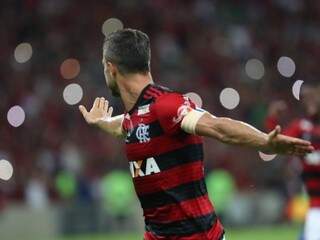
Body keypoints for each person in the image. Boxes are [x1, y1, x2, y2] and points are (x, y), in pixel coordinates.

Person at [79, 29, 314, 240]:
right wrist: (100, 122)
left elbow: (217, 126)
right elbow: (122, 126)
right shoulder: (135, 117)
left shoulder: (166, 106)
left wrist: (264, 141)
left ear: (111, 67)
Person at [265, 85, 320, 240]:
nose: (310, 102)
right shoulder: (302, 128)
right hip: (316, 207)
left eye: (313, 97)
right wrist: (272, 119)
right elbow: (275, 142)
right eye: (307, 99)